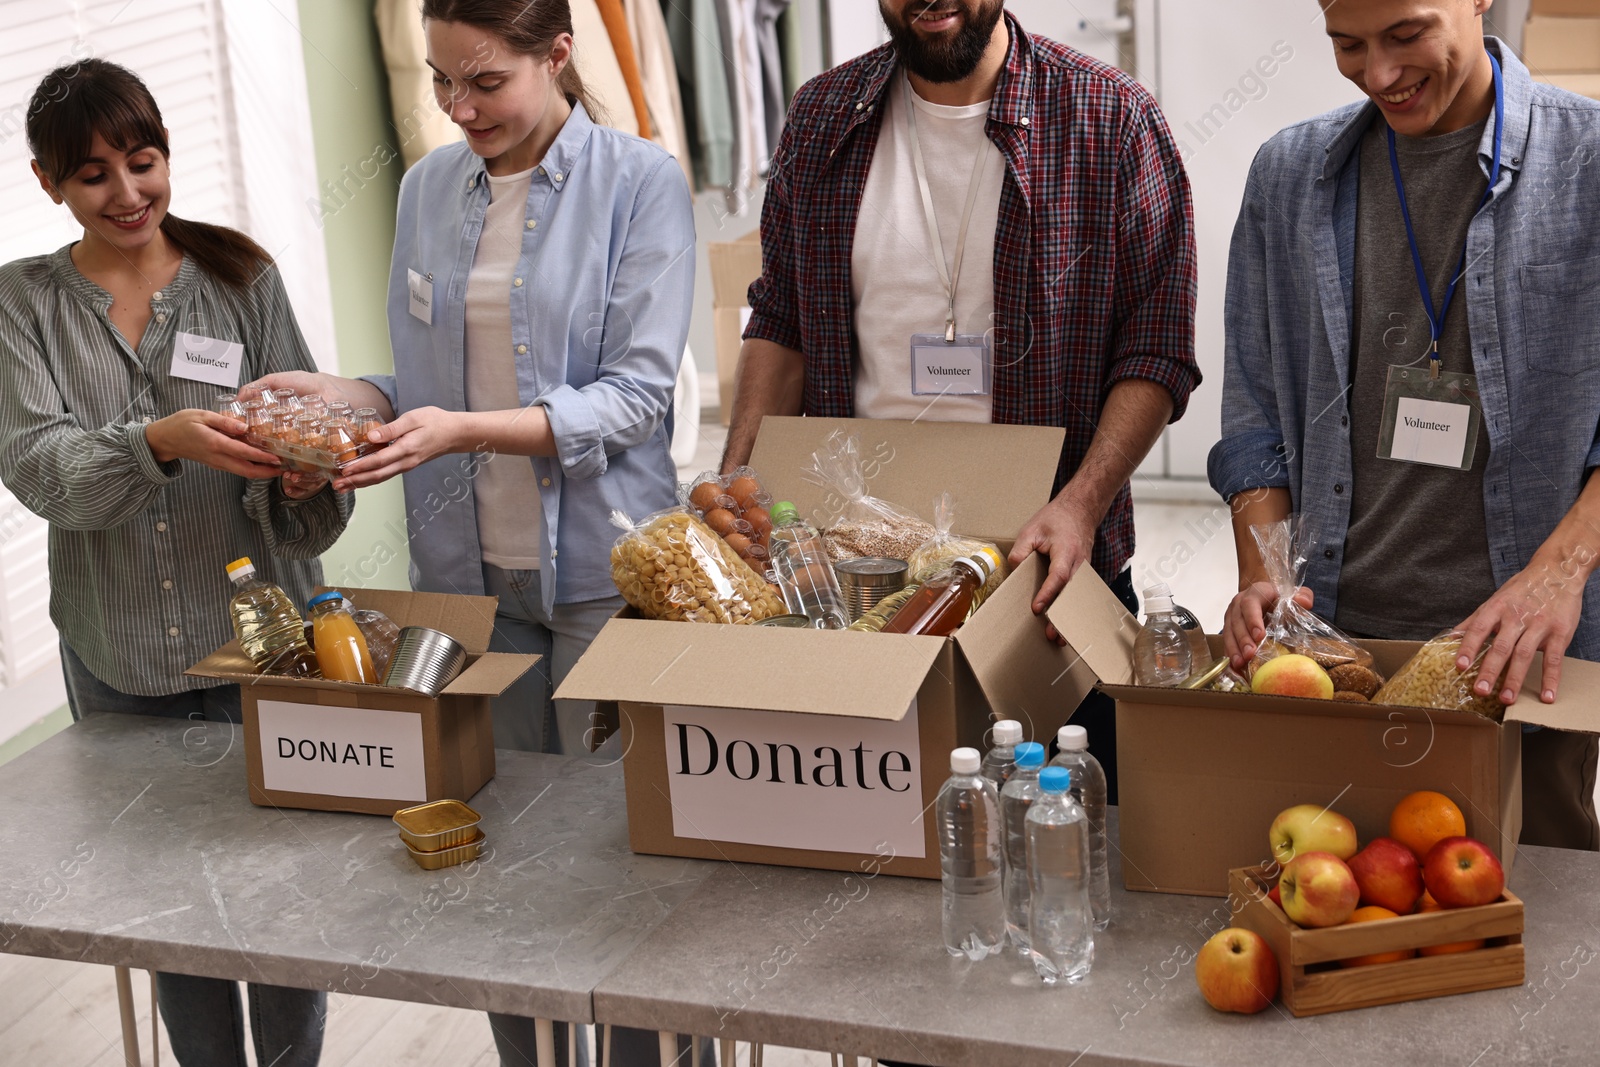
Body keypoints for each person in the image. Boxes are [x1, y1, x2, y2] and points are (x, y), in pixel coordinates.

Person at [249, 2, 697, 1062]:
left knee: (631, 867)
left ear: (558, 54)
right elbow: (436, 388)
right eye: (442, 81)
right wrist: (351, 389)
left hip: (604, 572)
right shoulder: (424, 189)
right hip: (465, 583)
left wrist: (454, 428)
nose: (459, 108)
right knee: (499, 858)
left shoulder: (641, 183)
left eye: (486, 81)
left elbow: (635, 395)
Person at [722, 0, 1200, 801]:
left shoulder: (1110, 119)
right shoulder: (822, 117)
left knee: (1066, 830)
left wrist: (1082, 503)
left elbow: (1156, 348)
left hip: (1045, 569)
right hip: (860, 577)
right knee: (876, 826)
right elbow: (782, 317)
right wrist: (735, 475)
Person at [0, 59, 352, 1067]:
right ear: (47, 184)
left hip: (263, 649)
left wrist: (302, 477)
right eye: (92, 175)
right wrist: (160, 439)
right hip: (120, 653)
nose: (126, 194)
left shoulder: (242, 281)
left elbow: (312, 486)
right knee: (171, 908)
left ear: (166, 156)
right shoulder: (22, 304)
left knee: (283, 896)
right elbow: (41, 469)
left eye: (142, 162)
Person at [1210, 0, 1599, 848]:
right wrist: (1267, 578)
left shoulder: (1589, 163)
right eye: (1346, 45)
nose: (1378, 75)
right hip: (1340, 658)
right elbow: (1252, 412)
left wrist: (1559, 569)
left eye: (1406, 35)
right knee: (1342, 908)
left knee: (1531, 929)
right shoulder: (1288, 176)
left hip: (1523, 659)